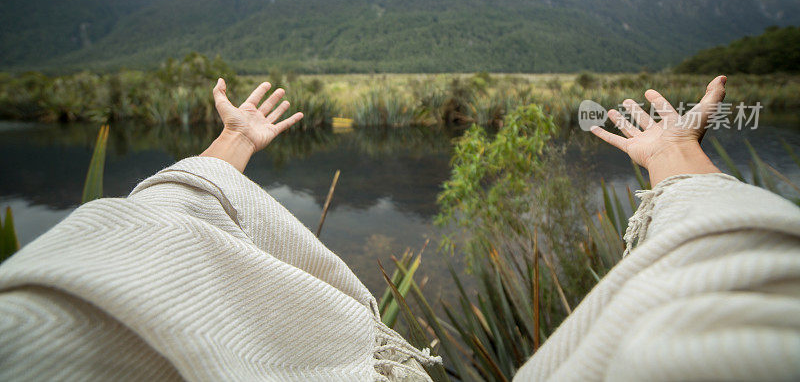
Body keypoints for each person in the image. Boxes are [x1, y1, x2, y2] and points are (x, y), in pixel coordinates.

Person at [0, 76, 798, 381]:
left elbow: (151, 230)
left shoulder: (32, 323)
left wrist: (234, 145)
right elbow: (741, 265)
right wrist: (678, 163)